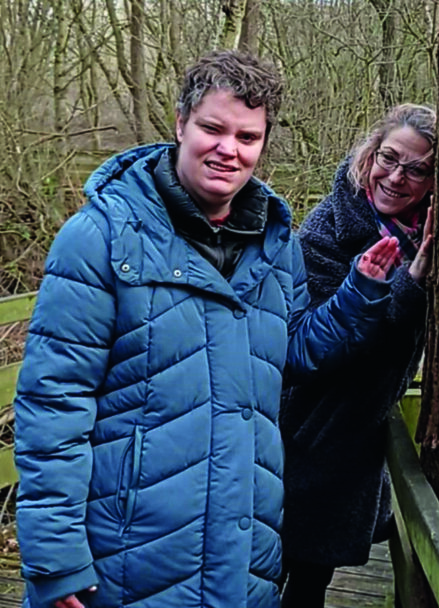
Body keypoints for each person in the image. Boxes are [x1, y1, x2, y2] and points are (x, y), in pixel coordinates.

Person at [13, 50, 402, 608]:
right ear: (180, 124)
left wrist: (359, 294)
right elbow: (53, 405)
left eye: (247, 137)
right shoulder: (100, 238)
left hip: (243, 554)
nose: (229, 149)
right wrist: (55, 559)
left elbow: (290, 353)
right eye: (213, 128)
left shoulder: (275, 246)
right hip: (125, 560)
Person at [279, 103, 436, 607]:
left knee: (311, 581)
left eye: (417, 169)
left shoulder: (425, 235)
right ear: (370, 155)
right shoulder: (329, 229)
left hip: (356, 440)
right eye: (389, 158)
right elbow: (320, 347)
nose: (396, 177)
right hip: (305, 432)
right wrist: (407, 288)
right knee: (271, 573)